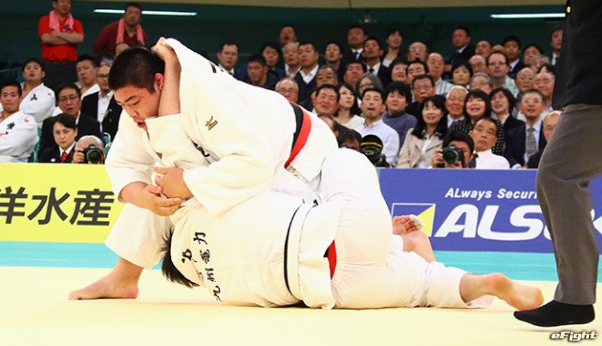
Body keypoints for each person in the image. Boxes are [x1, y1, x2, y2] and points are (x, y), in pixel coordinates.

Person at [71, 143, 543, 312]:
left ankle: (432, 261)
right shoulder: (196, 208)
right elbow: (166, 191)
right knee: (342, 157)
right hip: (339, 235)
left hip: (337, 292)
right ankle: (427, 257)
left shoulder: (221, 290)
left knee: (423, 288)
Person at [68, 38, 337, 299]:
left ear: (159, 82)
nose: (130, 113)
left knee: (198, 197)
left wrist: (188, 182)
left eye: (134, 102)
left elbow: (254, 164)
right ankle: (123, 278)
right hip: (250, 157)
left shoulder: (207, 95)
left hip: (298, 153)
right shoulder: (137, 107)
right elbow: (124, 162)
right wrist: (141, 195)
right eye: (122, 105)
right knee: (162, 184)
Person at [514, 0, 601, 326]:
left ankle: (576, 298)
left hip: (596, 86)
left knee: (558, 175)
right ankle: (575, 297)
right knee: (556, 177)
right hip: (586, 80)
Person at [38, 0, 84, 93]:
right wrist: (70, 38)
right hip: (50, 66)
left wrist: (58, 34)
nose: (65, 4)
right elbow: (46, 39)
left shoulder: (75, 23)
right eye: (62, 1)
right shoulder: (45, 20)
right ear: (54, 4)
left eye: (68, 2)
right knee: (49, 93)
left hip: (69, 66)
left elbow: (80, 39)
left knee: (69, 93)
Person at [38, 83, 102, 157]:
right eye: (63, 99)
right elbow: (42, 153)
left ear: (80, 100)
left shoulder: (92, 124)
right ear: (58, 104)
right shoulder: (49, 123)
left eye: (72, 98)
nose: (68, 103)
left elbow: (98, 152)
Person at [396, 96, 447, 169]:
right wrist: (406, 174)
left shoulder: (447, 136)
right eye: (426, 109)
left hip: (433, 173)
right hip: (410, 173)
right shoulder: (411, 133)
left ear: (442, 113)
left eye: (434, 108)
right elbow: (403, 160)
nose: (430, 112)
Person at [450, 89, 505, 155]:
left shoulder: (496, 125)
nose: (474, 103)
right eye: (470, 100)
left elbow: (496, 151)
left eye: (479, 100)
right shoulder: (457, 124)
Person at [504, 89, 547, 168]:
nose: (531, 104)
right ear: (520, 107)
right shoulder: (513, 134)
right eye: (527, 101)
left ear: (543, 107)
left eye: (536, 101)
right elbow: (508, 155)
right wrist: (517, 167)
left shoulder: (550, 130)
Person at [357, 88, 399, 166]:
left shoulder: (390, 133)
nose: (371, 103)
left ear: (383, 107)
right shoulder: (356, 131)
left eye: (376, 99)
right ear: (361, 105)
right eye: (367, 99)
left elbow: (388, 161)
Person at [81, 64, 123, 142]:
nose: (105, 79)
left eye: (107, 76)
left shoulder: (121, 99)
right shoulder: (88, 100)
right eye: (101, 76)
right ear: (96, 78)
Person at [0, 80, 38, 162]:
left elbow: (14, 145)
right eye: (5, 95)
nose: (8, 99)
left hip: (13, 166)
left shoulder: (27, 121)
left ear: (20, 98)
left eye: (13, 95)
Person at [18, 58, 56, 127]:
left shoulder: (48, 93)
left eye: (35, 68)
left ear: (43, 74)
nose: (31, 70)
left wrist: (10, 111)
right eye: (28, 68)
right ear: (23, 74)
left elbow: (38, 112)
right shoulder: (14, 89)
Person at [382, 82, 416, 147]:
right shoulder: (380, 118)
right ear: (385, 100)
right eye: (392, 96)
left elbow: (405, 145)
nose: (395, 100)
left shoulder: (410, 121)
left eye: (400, 97)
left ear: (407, 102)